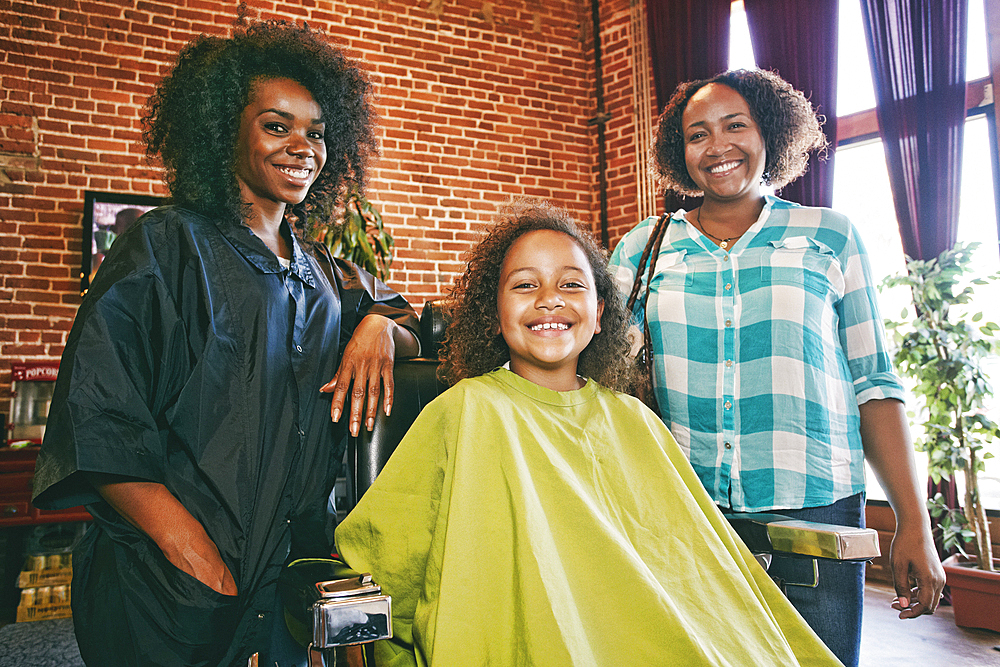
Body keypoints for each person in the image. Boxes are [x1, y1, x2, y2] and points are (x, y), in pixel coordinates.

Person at [32, 20, 419, 667]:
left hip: (278, 589)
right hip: (168, 591)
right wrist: (199, 564)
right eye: (276, 125)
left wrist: (378, 325)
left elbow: (404, 314)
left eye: (317, 132)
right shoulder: (162, 247)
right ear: (224, 131)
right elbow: (100, 425)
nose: (303, 146)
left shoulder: (325, 270)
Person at [335, 202, 842, 666]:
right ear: (494, 315)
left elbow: (695, 565)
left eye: (572, 284)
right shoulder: (467, 410)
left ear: (601, 315)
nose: (550, 300)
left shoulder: (635, 420)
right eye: (525, 285)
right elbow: (382, 562)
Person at [608, 69, 945, 666]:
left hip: (815, 510)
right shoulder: (641, 250)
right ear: (677, 152)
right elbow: (604, 383)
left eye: (735, 125)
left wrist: (911, 521)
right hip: (685, 512)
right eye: (697, 134)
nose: (717, 147)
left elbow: (875, 384)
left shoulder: (829, 237)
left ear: (771, 132)